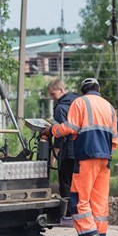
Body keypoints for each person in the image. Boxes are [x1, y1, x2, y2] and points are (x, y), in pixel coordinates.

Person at [43, 78, 118, 236]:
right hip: (105, 159)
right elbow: (115, 139)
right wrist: (107, 155)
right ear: (98, 89)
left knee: (78, 197)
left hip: (86, 156)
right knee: (99, 198)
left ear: (83, 90)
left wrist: (53, 130)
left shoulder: (80, 103)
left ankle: (89, 232)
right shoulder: (109, 107)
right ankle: (99, 231)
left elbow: (71, 127)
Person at [46, 79, 79, 227]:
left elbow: (60, 134)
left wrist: (54, 154)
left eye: (53, 94)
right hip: (82, 150)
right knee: (78, 183)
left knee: (65, 183)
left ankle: (68, 216)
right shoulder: (78, 102)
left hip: (68, 150)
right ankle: (80, 215)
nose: (52, 98)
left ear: (61, 90)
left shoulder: (60, 108)